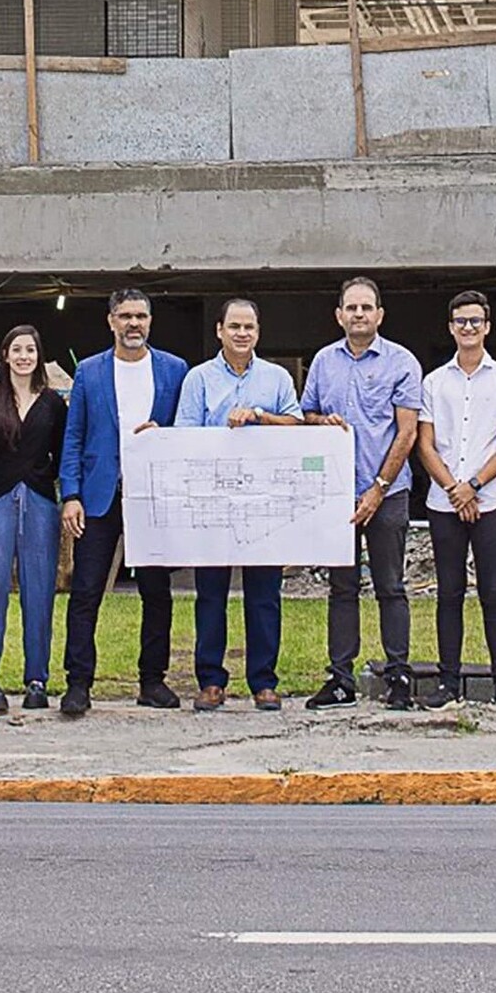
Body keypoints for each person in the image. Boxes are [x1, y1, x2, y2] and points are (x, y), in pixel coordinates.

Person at [58, 288, 189, 718]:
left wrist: (163, 432)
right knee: (86, 592)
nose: (134, 324)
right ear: (111, 321)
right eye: (125, 316)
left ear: (150, 321)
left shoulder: (174, 369)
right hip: (99, 495)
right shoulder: (90, 373)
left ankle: (153, 680)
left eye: (141, 316)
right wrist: (71, 494)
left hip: (152, 496)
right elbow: (74, 436)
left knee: (157, 593)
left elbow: (184, 430)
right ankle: (78, 683)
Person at [300, 276, 423, 710]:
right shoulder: (322, 362)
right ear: (339, 315)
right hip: (336, 494)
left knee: (391, 586)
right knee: (342, 588)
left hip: (387, 493)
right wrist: (319, 423)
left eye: (366, 307)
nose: (358, 314)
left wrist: (378, 487)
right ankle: (340, 680)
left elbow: (407, 432)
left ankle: (399, 677)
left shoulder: (402, 362)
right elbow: (307, 413)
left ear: (379, 315)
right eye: (351, 308)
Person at [176, 299, 304, 713]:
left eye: (249, 326)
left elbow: (297, 425)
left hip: (263, 502)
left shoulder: (277, 378)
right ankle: (211, 681)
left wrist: (260, 416)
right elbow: (185, 436)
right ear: (220, 331)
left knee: (264, 595)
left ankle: (264, 681)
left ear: (258, 332)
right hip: (214, 501)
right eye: (234, 326)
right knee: (210, 594)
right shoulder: (198, 379)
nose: (242, 333)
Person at [415, 290, 496, 715]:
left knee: (494, 593)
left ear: (487, 326)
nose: (468, 328)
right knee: (449, 592)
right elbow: (425, 444)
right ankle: (448, 682)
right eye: (461, 321)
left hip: (492, 499)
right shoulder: (434, 381)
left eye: (475, 321)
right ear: (450, 327)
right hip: (445, 501)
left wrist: (475, 485)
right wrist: (453, 489)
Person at [0, 325, 67, 714]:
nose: (24, 356)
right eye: (17, 349)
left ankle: (37, 679)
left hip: (41, 501)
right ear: (5, 355)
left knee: (39, 591)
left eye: (31, 349)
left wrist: (64, 498)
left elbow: (62, 455)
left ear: (39, 356)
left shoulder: (54, 404)